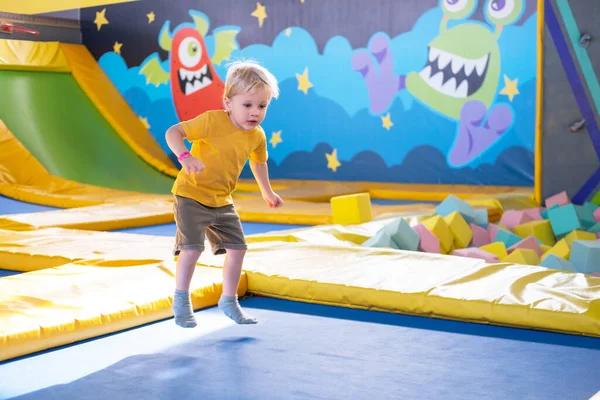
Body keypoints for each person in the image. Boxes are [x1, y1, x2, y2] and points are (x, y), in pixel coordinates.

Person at [165, 59, 283, 328]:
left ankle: (228, 301)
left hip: (222, 200)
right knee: (192, 249)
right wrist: (184, 157)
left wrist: (267, 191)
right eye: (248, 105)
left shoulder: (257, 135)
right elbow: (174, 132)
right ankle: (181, 300)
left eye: (262, 106)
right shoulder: (211, 121)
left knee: (238, 249)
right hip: (191, 195)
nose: (255, 112)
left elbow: (259, 162)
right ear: (228, 103)